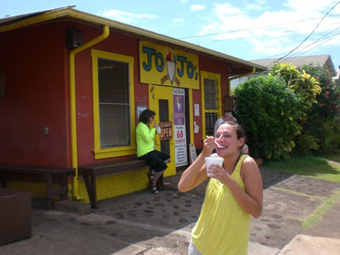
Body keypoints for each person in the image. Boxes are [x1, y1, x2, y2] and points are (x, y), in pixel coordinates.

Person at [178, 121, 263, 255]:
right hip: (199, 246)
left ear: (240, 142)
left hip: (229, 251)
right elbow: (183, 186)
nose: (220, 139)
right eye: (217, 135)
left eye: (227, 135)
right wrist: (204, 154)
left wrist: (228, 181)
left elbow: (256, 211)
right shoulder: (214, 160)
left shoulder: (247, 164)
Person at [136, 109, 170, 194]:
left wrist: (153, 132)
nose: (152, 119)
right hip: (144, 153)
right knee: (163, 165)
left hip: (151, 150)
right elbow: (147, 139)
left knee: (167, 157)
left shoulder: (145, 126)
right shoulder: (141, 126)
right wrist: (154, 129)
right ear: (147, 117)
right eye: (152, 117)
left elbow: (148, 137)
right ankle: (153, 184)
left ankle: (152, 173)